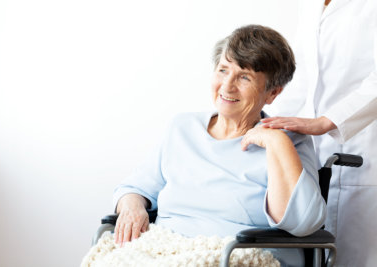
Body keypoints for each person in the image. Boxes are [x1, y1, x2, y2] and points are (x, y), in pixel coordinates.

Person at [112, 25, 326, 267]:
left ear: (273, 93)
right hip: (166, 250)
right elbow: (134, 188)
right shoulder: (182, 128)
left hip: (242, 256)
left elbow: (303, 223)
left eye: (244, 77)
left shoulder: (289, 140)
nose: (227, 86)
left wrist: (276, 142)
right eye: (223, 70)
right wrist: (132, 207)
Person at [262, 0, 377, 266]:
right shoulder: (311, 4)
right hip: (314, 155)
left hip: (365, 153)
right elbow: (302, 78)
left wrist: (326, 122)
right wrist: (265, 122)